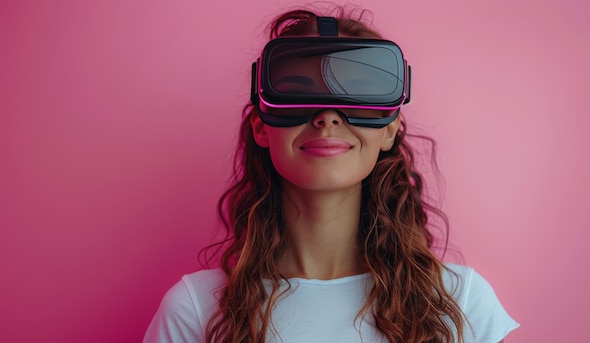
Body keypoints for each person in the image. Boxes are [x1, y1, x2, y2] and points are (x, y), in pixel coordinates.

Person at [144, 5, 519, 343]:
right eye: (297, 93)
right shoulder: (197, 311)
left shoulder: (460, 303)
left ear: (389, 129)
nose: (327, 116)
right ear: (261, 127)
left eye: (353, 93)